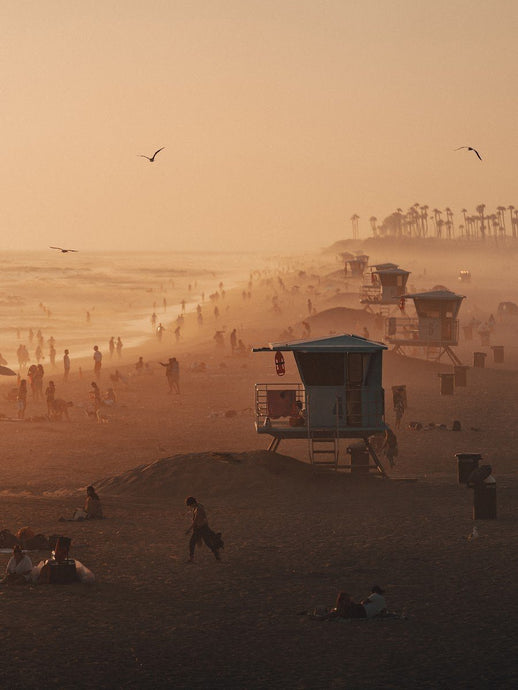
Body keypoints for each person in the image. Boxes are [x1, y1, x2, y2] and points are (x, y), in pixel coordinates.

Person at [185, 497, 221, 562]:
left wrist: (189, 530)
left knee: (205, 543)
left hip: (202, 528)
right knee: (197, 542)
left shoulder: (199, 509)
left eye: (190, 505)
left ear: (193, 503)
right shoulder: (197, 507)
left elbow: (195, 520)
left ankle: (216, 554)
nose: (190, 507)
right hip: (200, 528)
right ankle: (216, 554)